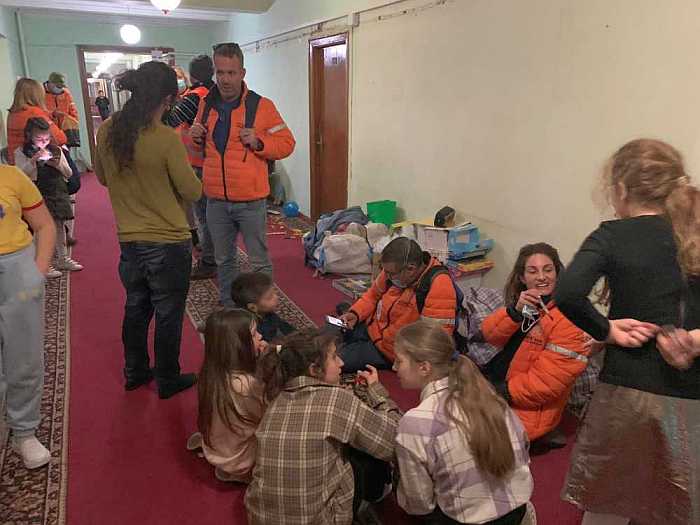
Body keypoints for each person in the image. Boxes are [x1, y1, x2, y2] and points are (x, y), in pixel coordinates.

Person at [555, 139, 700, 525]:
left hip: (627, 391)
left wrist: (607, 329)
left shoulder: (612, 235)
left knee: (610, 499)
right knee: (676, 501)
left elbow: (567, 293)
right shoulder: (693, 233)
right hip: (689, 394)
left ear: (619, 190)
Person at [94, 61, 202, 399]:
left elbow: (101, 178)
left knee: (136, 306)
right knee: (168, 312)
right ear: (168, 99)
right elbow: (192, 191)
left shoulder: (107, 130)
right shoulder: (165, 139)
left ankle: (135, 371)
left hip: (129, 239)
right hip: (168, 241)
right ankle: (168, 377)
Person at [245, 330, 401, 525]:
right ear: (314, 370)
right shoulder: (336, 400)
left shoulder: (275, 400)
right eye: (334, 357)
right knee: (367, 456)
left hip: (260, 518)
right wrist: (377, 393)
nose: (342, 363)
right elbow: (393, 441)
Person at [393, 320, 535, 525]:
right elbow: (523, 452)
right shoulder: (492, 399)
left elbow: (420, 505)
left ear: (424, 367)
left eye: (399, 361)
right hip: (517, 511)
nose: (393, 366)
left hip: (466, 520)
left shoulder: (415, 422)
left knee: (397, 466)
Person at [190, 42, 296, 308]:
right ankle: (230, 310)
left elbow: (287, 143)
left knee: (258, 261)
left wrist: (260, 141)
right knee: (224, 260)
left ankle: (264, 310)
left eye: (231, 72)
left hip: (251, 202)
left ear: (242, 73)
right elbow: (198, 150)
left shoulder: (262, 106)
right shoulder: (205, 105)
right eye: (220, 72)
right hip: (215, 200)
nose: (225, 79)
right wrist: (191, 136)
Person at [480, 243, 589, 448]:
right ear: (522, 278)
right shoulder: (529, 305)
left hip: (524, 405)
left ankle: (543, 433)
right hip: (500, 381)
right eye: (533, 271)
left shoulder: (570, 315)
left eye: (548, 270)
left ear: (558, 273)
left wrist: (499, 391)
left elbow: (546, 383)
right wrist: (514, 311)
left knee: (466, 443)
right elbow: (490, 335)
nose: (541, 277)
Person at [0, 164, 56, 469]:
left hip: (16, 270)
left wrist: (39, 271)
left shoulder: (11, 176)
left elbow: (45, 225)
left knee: (24, 356)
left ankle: (25, 432)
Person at [338, 237, 457, 373]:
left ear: (411, 269)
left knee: (336, 360)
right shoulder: (393, 270)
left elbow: (434, 340)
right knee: (332, 331)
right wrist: (355, 314)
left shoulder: (439, 286)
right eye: (385, 271)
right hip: (374, 329)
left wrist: (404, 363)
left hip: (390, 351)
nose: (386, 276)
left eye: (390, 273)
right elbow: (372, 296)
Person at [186, 309, 267, 482]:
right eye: (254, 334)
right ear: (237, 346)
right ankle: (239, 472)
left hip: (219, 448)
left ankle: (227, 465)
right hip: (240, 458)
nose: (260, 336)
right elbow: (266, 417)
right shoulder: (246, 384)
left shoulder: (211, 372)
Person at [165, 55, 216, 281]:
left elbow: (170, 121)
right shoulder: (214, 93)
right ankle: (215, 254)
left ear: (193, 75)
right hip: (213, 163)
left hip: (198, 165)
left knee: (204, 217)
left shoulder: (195, 97)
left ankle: (208, 261)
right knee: (213, 215)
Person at [14, 117, 83, 278]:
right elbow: (19, 175)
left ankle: (62, 258)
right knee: (42, 229)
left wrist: (57, 164)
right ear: (29, 135)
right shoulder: (21, 152)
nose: (43, 142)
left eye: (46, 138)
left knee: (59, 225)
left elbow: (69, 173)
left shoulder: (56, 150)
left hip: (56, 192)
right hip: (36, 193)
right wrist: (32, 161)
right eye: (39, 139)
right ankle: (45, 263)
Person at [6, 78, 67, 165]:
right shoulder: (35, 112)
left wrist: (50, 115)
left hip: (15, 162)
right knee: (70, 170)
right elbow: (60, 139)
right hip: (34, 164)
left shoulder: (12, 113)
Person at [230, 272, 294, 342]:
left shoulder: (265, 313)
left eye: (274, 292)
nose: (276, 297)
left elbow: (284, 327)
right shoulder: (255, 330)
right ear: (252, 307)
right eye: (269, 297)